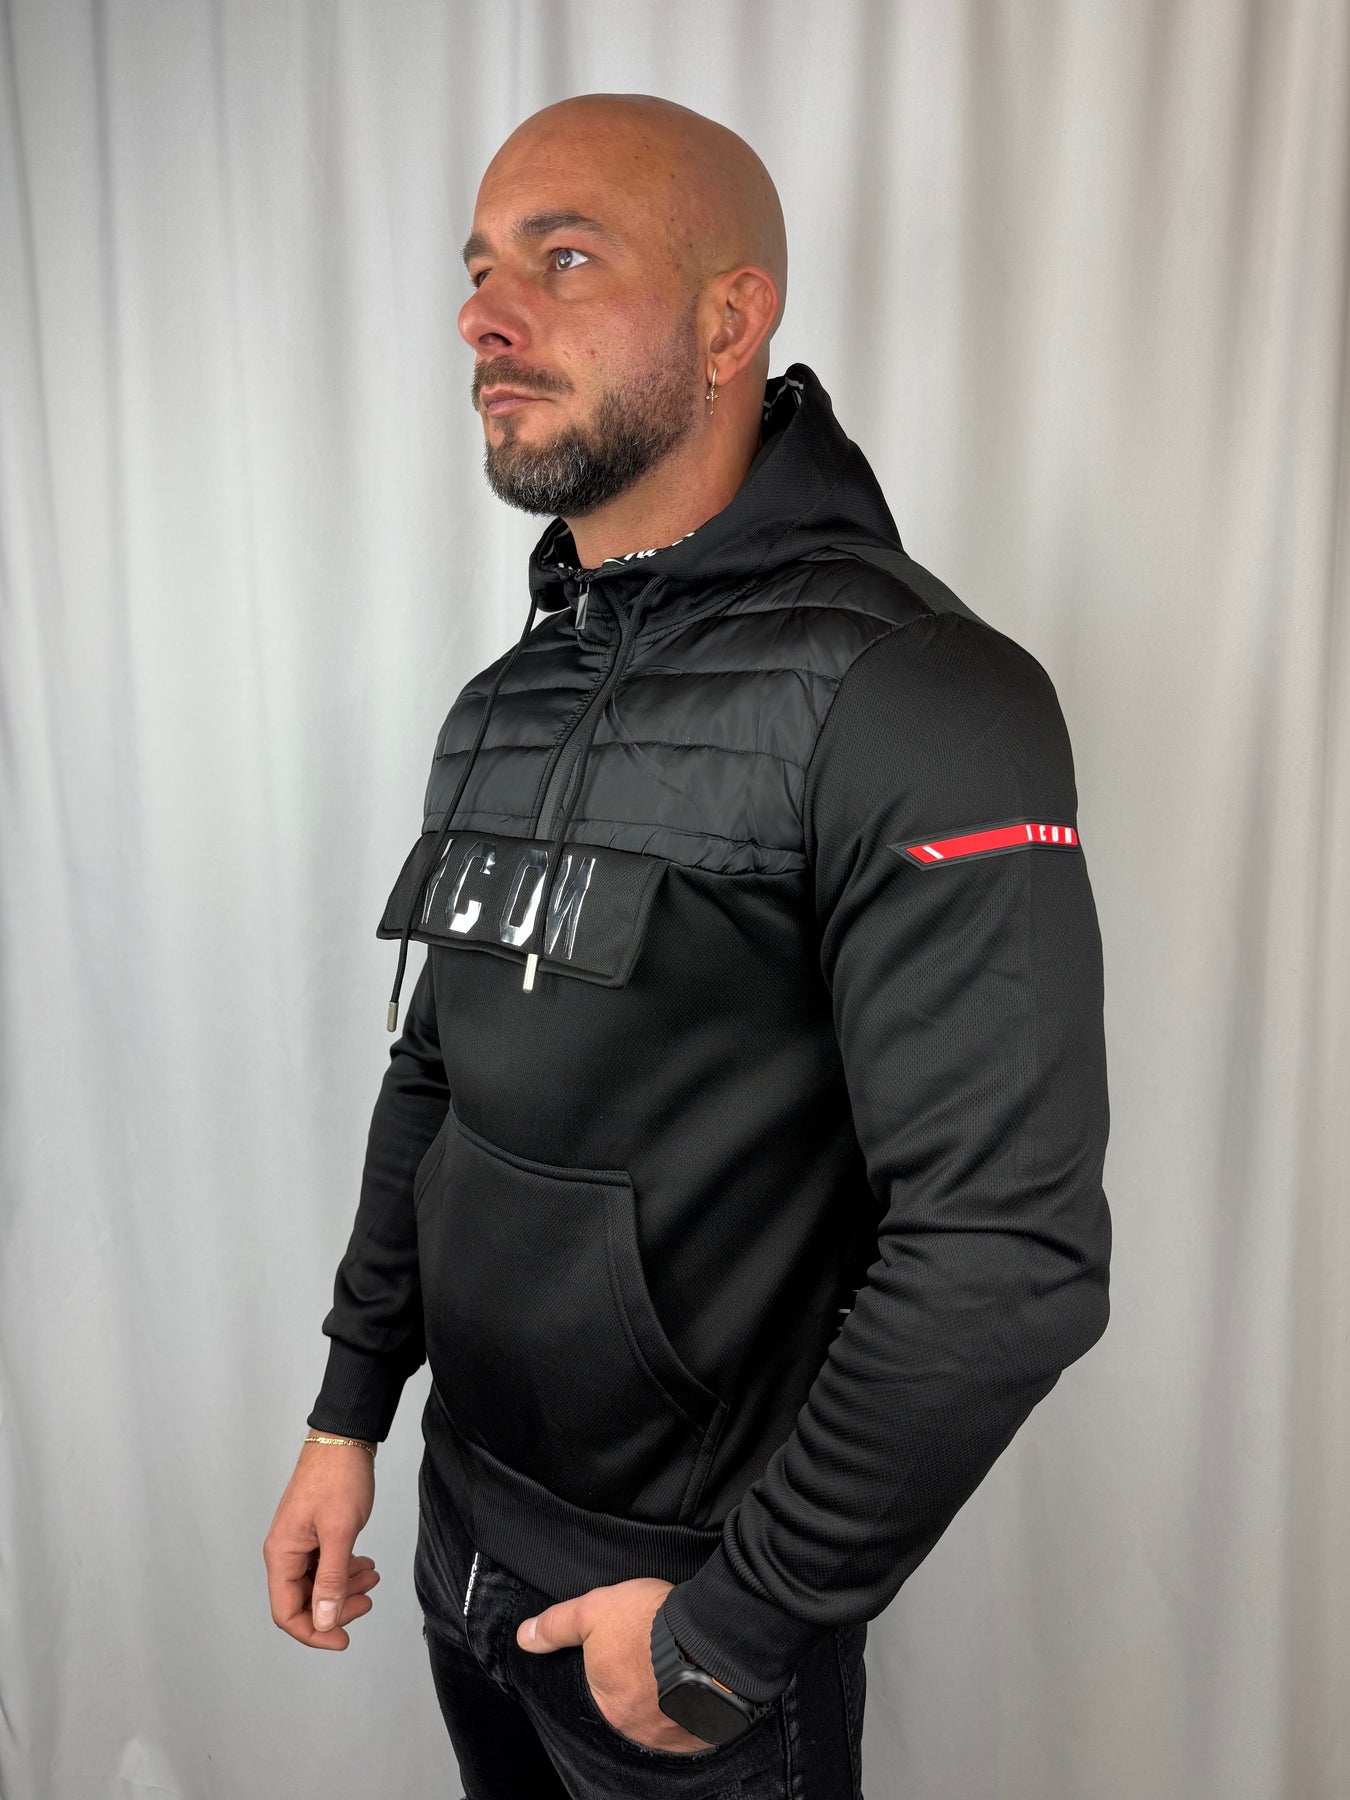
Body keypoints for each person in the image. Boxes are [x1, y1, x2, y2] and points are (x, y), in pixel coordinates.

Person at [263, 91, 1112, 1799]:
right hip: (457, 1537)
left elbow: (1003, 1254)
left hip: (677, 1615)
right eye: (480, 270)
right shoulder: (510, 696)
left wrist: (736, 1624)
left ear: (731, 322)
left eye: (564, 258)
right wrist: (349, 1411)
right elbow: (437, 1079)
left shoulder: (923, 696)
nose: (484, 318)